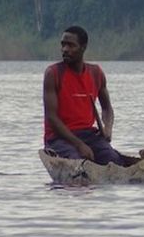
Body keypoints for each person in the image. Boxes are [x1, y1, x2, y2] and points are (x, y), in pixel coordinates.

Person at [43, 25, 125, 165]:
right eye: (63, 45)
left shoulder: (96, 73)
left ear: (83, 47)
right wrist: (79, 144)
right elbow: (52, 118)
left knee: (114, 161)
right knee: (79, 162)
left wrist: (108, 129)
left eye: (71, 45)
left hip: (88, 135)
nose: (65, 50)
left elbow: (107, 109)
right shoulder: (53, 73)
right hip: (59, 138)